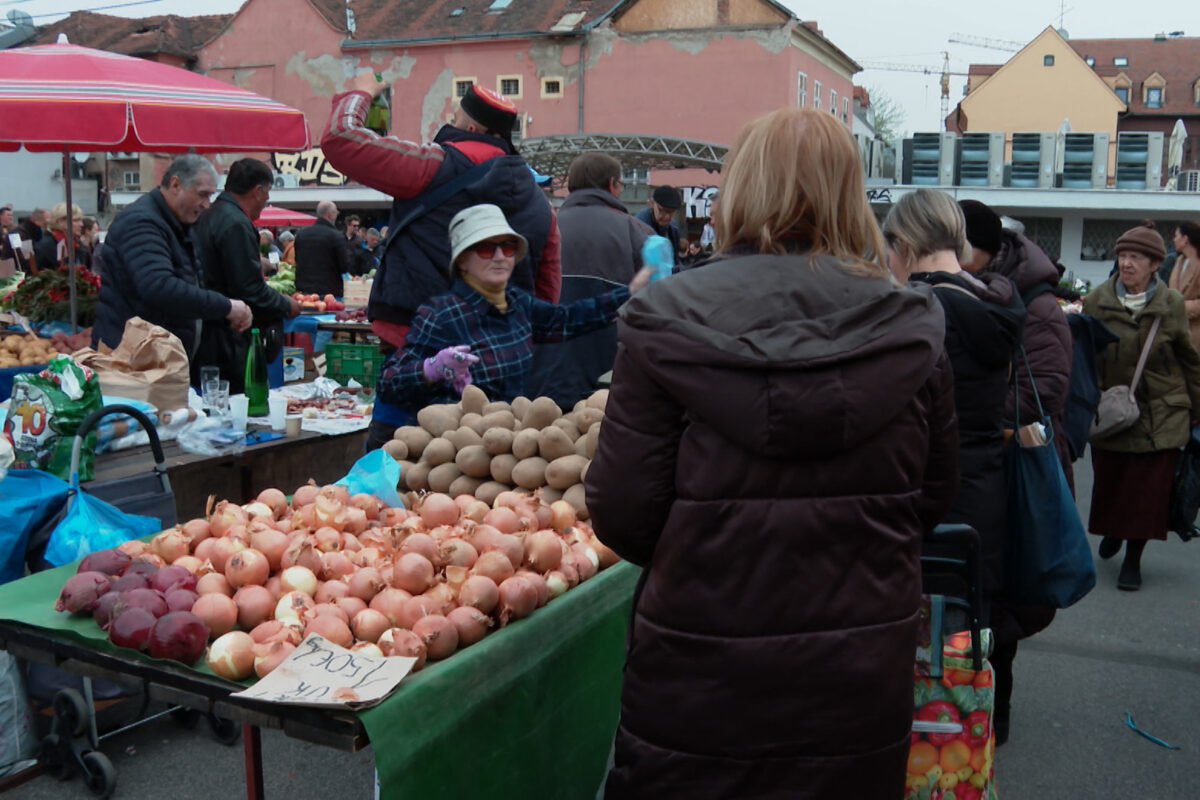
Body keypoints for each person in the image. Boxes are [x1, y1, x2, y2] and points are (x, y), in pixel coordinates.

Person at [584, 108, 959, 798]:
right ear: (850, 193)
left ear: (741, 189)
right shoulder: (911, 323)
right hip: (856, 669)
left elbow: (623, 513)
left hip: (702, 666)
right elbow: (930, 499)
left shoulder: (666, 319)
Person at [886, 190, 1028, 745]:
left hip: (921, 493)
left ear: (905, 244)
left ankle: (923, 749)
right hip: (983, 489)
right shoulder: (996, 301)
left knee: (916, 642)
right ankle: (968, 742)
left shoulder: (917, 311)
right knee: (967, 634)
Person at [370, 204, 649, 450]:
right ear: (463, 260)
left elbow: (567, 319)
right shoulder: (442, 313)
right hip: (451, 450)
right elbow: (388, 382)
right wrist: (431, 368)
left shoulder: (516, 303)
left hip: (505, 444)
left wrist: (631, 293)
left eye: (508, 247)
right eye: (486, 248)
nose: (500, 256)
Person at [321, 73, 561, 352]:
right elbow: (548, 281)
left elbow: (341, 139)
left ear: (470, 128)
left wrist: (360, 93)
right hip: (501, 348)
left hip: (420, 340)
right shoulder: (539, 201)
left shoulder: (430, 165)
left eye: (454, 119)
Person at [1084, 223, 1200, 591]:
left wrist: (1198, 406)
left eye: (1136, 257)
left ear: (1154, 264)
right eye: (1122, 255)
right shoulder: (1097, 302)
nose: (1127, 263)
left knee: (1148, 493)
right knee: (1113, 483)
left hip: (1161, 409)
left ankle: (1133, 559)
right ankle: (1115, 532)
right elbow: (1084, 359)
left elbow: (1188, 358)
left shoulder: (1172, 305)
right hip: (1114, 408)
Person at [960, 200, 1074, 486]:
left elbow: (1044, 389)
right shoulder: (968, 287)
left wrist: (968, 413)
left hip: (1020, 461)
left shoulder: (1036, 303)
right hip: (985, 455)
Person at [525, 152, 652, 409]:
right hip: (608, 383)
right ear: (613, 185)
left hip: (540, 378)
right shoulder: (638, 233)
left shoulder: (540, 228)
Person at [93, 154, 252, 359]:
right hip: (134, 360)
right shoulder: (141, 222)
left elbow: (190, 285)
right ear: (176, 184)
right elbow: (159, 286)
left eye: (210, 196)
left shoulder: (177, 223)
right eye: (202, 194)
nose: (207, 204)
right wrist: (227, 307)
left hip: (154, 355)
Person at [193, 158, 301, 391]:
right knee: (237, 404)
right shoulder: (236, 223)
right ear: (258, 191)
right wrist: (284, 304)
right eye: (268, 192)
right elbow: (249, 289)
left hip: (207, 329)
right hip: (227, 336)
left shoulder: (210, 215)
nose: (267, 201)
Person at [293, 200, 349, 298]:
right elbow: (344, 266)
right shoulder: (336, 236)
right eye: (336, 213)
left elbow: (297, 259)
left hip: (304, 290)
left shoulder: (301, 234)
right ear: (330, 215)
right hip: (329, 290)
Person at [1167, 220, 1200, 352]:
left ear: (1185, 239)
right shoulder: (1179, 261)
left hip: (1195, 334)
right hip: (1176, 331)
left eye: (1176, 236)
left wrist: (1179, 307)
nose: (1174, 240)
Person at [35, 202, 89, 272]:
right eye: (76, 220)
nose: (81, 224)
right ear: (60, 221)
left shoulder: (78, 244)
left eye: (81, 220)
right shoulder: (45, 246)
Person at [635, 185, 682, 261]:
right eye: (661, 210)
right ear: (652, 203)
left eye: (671, 212)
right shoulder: (638, 226)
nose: (667, 216)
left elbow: (675, 261)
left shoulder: (674, 228)